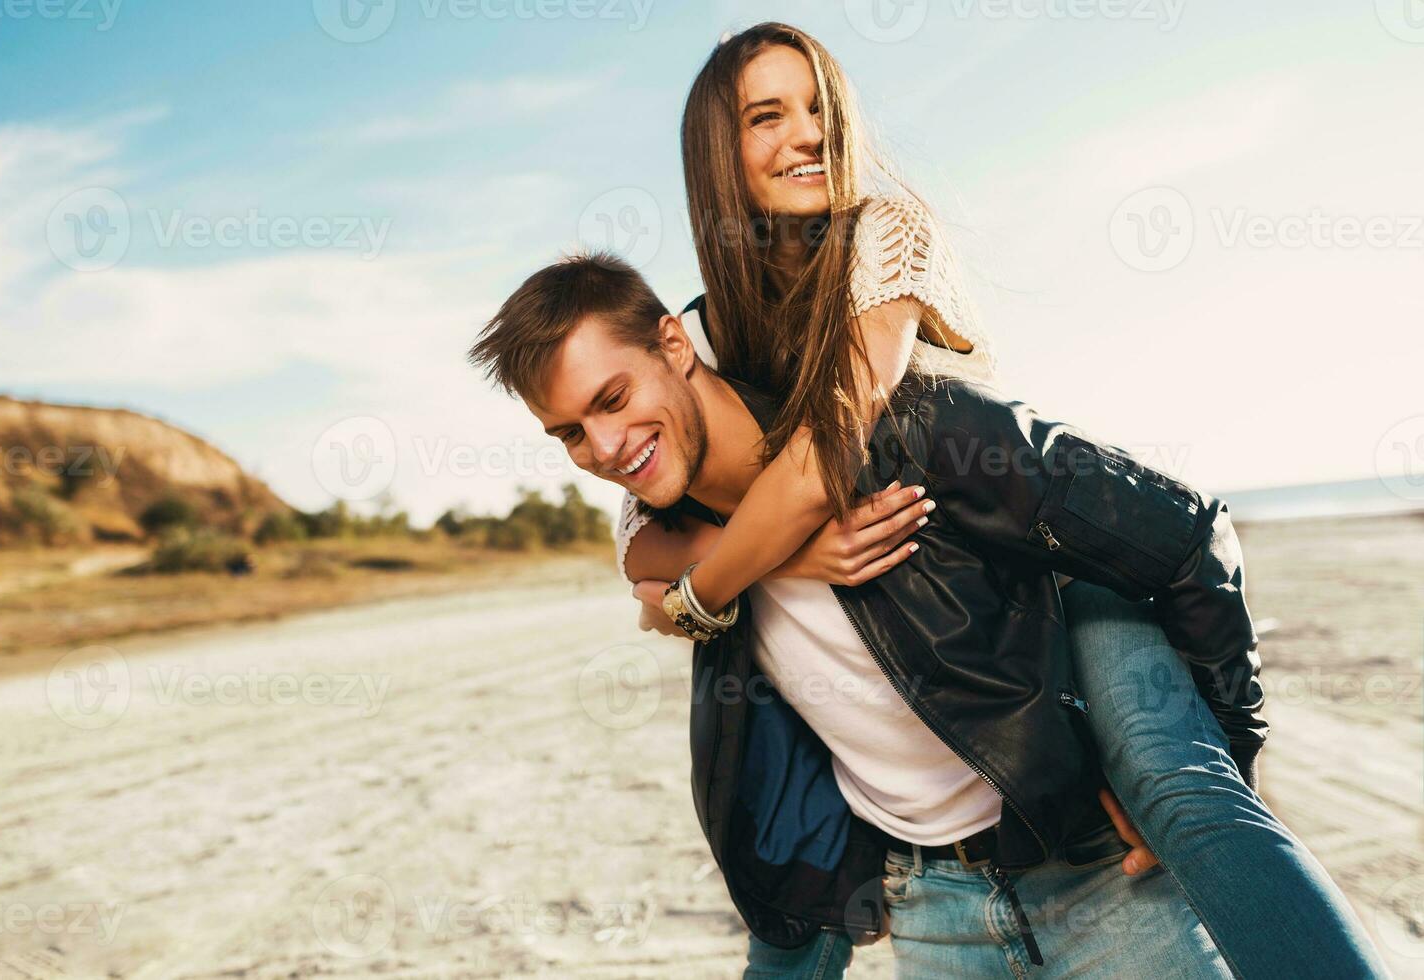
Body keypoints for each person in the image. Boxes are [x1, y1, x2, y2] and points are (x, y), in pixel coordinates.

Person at [613, 22, 1387, 979]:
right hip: (934, 676)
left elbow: (835, 437)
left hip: (1049, 569)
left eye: (820, 108)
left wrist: (726, 570)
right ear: (715, 156)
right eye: (767, 116)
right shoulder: (698, 335)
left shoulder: (882, 234)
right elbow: (639, 542)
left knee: (1184, 792)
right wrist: (789, 558)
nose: (805, 134)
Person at [474, 253, 1266, 976]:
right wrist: (776, 558)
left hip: (1098, 877)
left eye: (612, 399)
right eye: (569, 434)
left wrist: (1217, 777)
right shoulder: (667, 531)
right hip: (930, 912)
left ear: (675, 346)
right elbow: (650, 578)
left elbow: (1183, 530)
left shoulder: (901, 429)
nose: (605, 448)